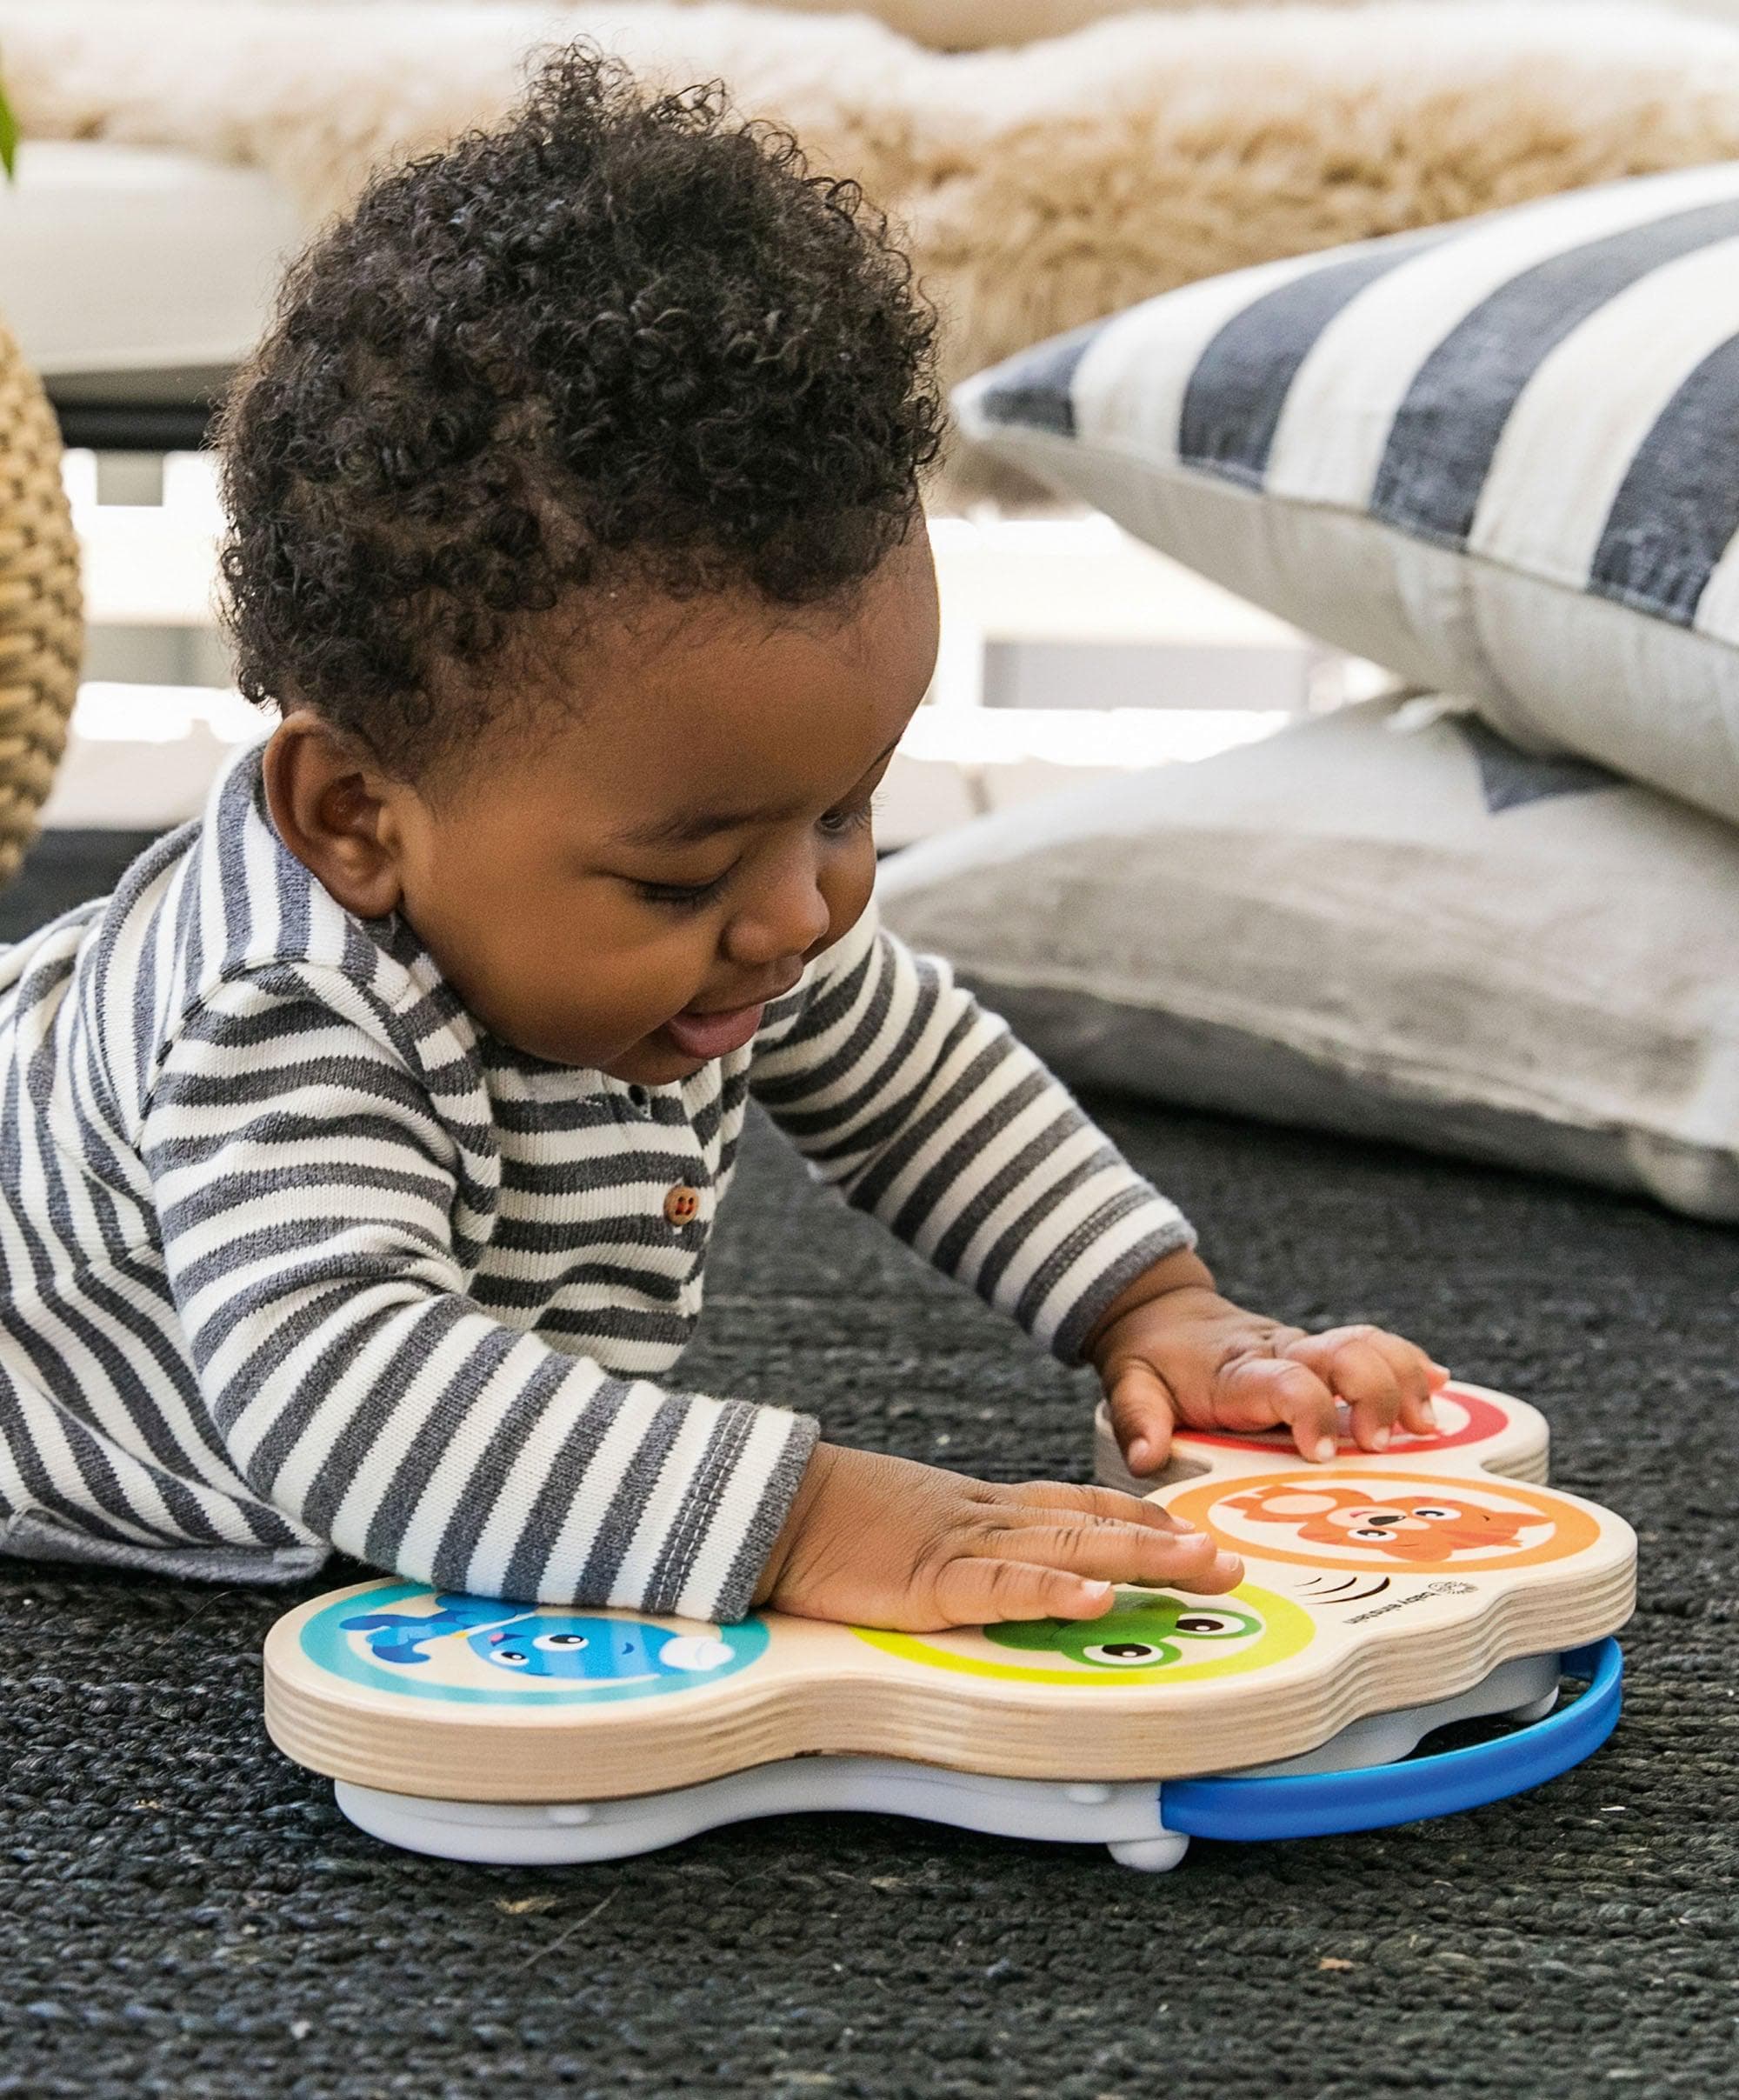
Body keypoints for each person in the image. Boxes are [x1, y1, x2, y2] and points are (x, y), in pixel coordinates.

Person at [0, 46, 1446, 1634]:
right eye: (683, 877)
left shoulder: (744, 886)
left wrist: (1153, 1304)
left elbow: (921, 1078)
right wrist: (808, 1519)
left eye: (847, 808)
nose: (801, 914)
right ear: (357, 820)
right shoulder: (279, 1019)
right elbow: (341, 1397)